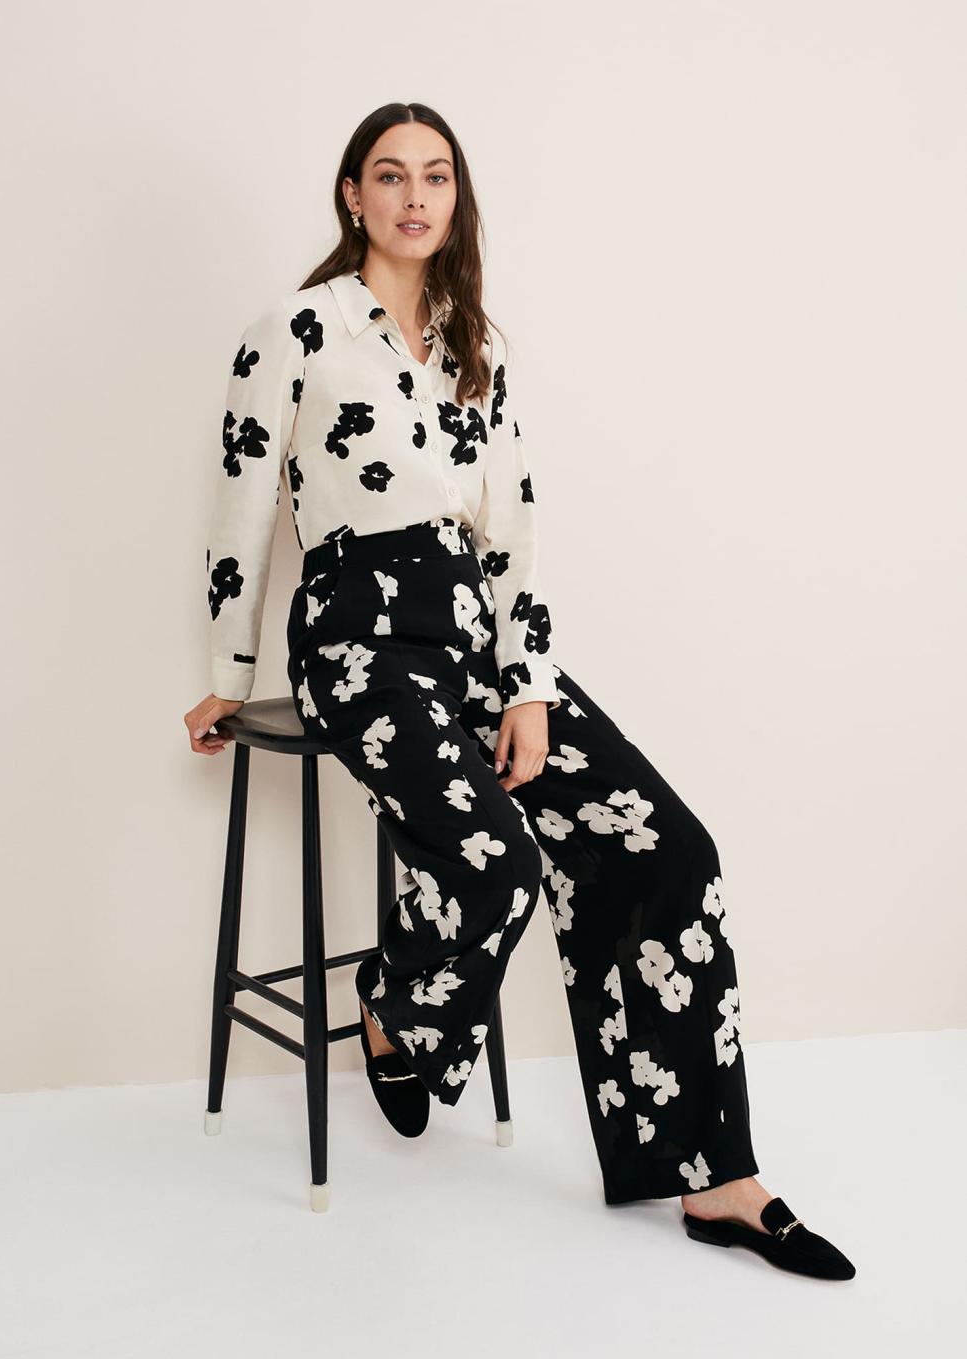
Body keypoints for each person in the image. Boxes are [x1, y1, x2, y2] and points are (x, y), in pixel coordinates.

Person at [184, 102, 855, 1281]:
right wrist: (227, 678)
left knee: (668, 851)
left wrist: (527, 686)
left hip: (471, 640)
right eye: (389, 175)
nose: (413, 197)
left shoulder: (474, 345)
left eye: (435, 176)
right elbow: (240, 507)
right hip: (354, 638)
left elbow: (513, 536)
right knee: (493, 860)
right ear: (352, 195)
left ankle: (715, 1177)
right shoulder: (295, 329)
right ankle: (395, 1009)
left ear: (457, 198)